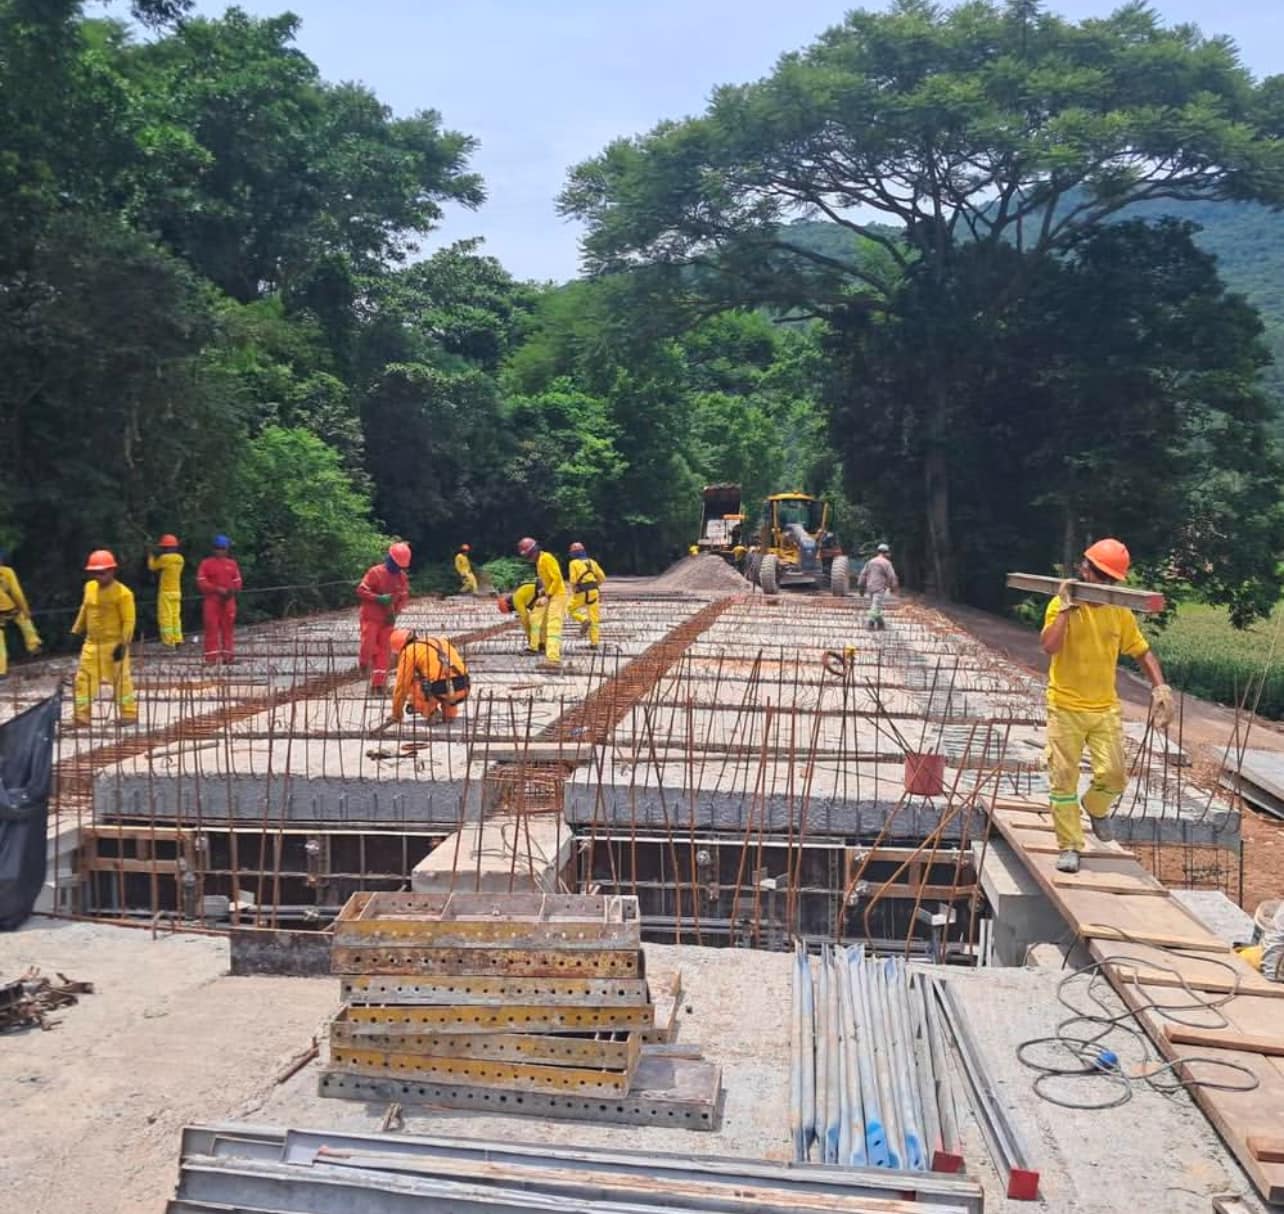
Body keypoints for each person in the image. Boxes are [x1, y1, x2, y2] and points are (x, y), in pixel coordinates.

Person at [1040, 538, 1174, 874]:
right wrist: (1066, 611)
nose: (1100, 581)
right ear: (1084, 569)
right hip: (1065, 705)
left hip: (1103, 708)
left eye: (1107, 577)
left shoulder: (1119, 612)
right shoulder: (1063, 603)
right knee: (1063, 778)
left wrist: (1161, 687)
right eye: (1096, 572)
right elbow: (1049, 647)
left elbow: (1141, 650)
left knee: (1114, 775)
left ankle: (1095, 805)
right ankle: (1070, 845)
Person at [71, 550, 136, 727]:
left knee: (121, 679)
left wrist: (124, 644)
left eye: (102, 572)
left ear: (112, 571)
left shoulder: (123, 594)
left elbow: (129, 621)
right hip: (91, 643)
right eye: (94, 572)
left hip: (114, 644)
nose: (98, 576)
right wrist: (76, 629)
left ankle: (128, 714)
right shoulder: (89, 587)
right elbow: (85, 609)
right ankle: (81, 717)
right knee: (83, 680)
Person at [384, 628, 470, 727]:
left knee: (412, 685)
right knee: (445, 676)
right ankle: (449, 714)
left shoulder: (409, 651)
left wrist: (396, 714)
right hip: (464, 686)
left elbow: (401, 686)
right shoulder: (438, 641)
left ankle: (431, 712)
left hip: (443, 690)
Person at [356, 541, 411, 692]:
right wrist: (377, 598)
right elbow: (361, 590)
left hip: (387, 619)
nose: (397, 568)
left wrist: (395, 613)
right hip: (371, 616)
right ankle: (363, 663)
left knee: (384, 651)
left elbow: (403, 597)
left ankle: (378, 684)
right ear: (389, 559)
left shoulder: (401, 578)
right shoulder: (375, 572)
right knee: (369, 645)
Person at [517, 536, 566, 668]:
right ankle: (535, 646)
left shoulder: (547, 558)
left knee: (553, 625)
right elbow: (547, 580)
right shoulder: (539, 562)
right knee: (535, 617)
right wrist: (543, 592)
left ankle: (553, 659)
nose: (529, 558)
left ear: (534, 551)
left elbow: (557, 579)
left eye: (528, 555)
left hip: (558, 595)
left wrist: (547, 596)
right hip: (548, 594)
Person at [196, 535, 243, 664]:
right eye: (217, 548)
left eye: (222, 549)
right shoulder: (206, 564)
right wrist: (216, 589)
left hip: (228, 601)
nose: (220, 551)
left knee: (228, 629)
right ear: (213, 549)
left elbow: (238, 581)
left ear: (227, 550)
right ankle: (211, 659)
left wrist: (232, 590)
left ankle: (228, 657)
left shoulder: (232, 564)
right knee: (211, 628)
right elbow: (201, 581)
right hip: (212, 601)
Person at [0, 549, 42, 677]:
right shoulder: (7, 572)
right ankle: (33, 644)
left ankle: (1, 671)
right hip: (9, 607)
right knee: (24, 619)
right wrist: (25, 609)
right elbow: (17, 593)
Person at [147, 533, 184, 648]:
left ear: (166, 548)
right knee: (175, 616)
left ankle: (168, 642)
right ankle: (178, 639)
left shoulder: (164, 558)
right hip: (177, 592)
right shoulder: (180, 559)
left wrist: (150, 554)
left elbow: (152, 567)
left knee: (165, 617)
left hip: (166, 592)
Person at [567, 541, 606, 648]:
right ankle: (594, 643)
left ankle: (583, 620)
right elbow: (602, 577)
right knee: (594, 617)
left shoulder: (573, 563)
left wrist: (574, 590)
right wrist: (594, 585)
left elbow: (573, 580)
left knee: (571, 609)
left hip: (582, 591)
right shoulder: (592, 562)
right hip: (594, 591)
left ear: (573, 554)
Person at [857, 542, 899, 630]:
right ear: (886, 553)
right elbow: (892, 576)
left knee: (876, 606)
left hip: (870, 587)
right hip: (880, 588)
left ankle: (881, 624)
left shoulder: (870, 562)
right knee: (876, 606)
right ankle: (870, 623)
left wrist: (861, 587)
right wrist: (893, 588)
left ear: (878, 552)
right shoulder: (887, 563)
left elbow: (863, 575)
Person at [498, 582, 540, 650]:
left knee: (534, 622)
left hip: (543, 596)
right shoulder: (519, 594)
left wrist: (529, 638)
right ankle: (542, 644)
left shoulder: (517, 600)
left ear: (509, 606)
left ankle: (534, 647)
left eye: (511, 610)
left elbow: (525, 619)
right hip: (543, 597)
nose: (514, 611)